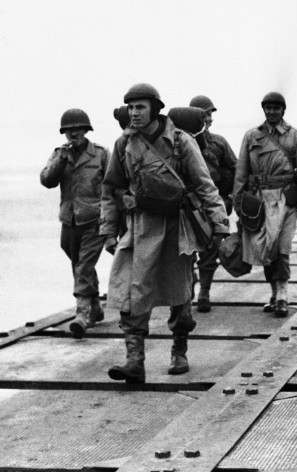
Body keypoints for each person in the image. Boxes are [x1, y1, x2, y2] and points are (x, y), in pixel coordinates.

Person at [100, 83, 230, 383]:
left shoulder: (181, 141)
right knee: (131, 294)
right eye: (130, 108)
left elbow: (204, 186)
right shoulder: (124, 145)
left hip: (176, 227)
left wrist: (220, 225)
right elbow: (110, 189)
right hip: (140, 227)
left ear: (155, 109)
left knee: (180, 294)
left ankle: (179, 349)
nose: (134, 113)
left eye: (140, 107)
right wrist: (108, 230)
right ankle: (135, 362)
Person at [233, 92, 297, 317]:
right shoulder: (252, 136)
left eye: (276, 108)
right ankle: (273, 292)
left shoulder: (295, 137)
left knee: (282, 247)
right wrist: (238, 199)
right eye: (268, 107)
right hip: (260, 201)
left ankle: (282, 294)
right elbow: (241, 171)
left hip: (286, 199)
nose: (271, 111)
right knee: (265, 248)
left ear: (283, 110)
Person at [40, 109, 108, 338]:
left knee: (84, 265)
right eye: (69, 130)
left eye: (78, 129)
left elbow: (114, 185)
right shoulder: (60, 154)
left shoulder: (100, 155)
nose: (74, 133)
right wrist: (61, 158)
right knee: (78, 264)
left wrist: (114, 220)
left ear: (86, 130)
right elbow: (47, 180)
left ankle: (82, 314)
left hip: (95, 220)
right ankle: (96, 306)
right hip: (69, 220)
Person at [188, 95, 237, 312]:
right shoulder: (178, 142)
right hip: (186, 206)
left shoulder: (219, 143)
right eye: (203, 114)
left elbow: (237, 172)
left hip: (212, 203)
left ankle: (204, 291)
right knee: (185, 250)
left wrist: (231, 199)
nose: (207, 118)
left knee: (209, 251)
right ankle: (187, 286)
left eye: (209, 114)